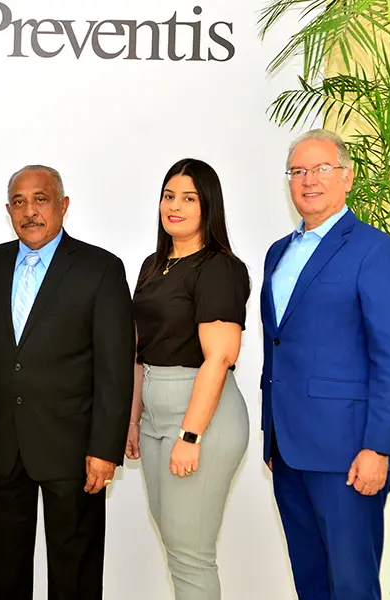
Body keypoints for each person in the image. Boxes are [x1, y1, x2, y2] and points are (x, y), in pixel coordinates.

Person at [0, 165, 134, 600]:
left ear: (63, 205)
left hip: (75, 450)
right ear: (7, 210)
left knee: (75, 573)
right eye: (18, 201)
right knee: (3, 571)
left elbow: (115, 367)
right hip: (0, 446)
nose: (29, 211)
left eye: (40, 199)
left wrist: (105, 448)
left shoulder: (101, 268)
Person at [262, 129, 390, 600]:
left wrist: (379, 448)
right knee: (311, 583)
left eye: (322, 169)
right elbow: (278, 347)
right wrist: (271, 434)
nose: (309, 180)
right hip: (288, 450)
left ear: (346, 178)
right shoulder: (277, 253)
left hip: (349, 453)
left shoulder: (375, 249)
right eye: (298, 171)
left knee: (351, 585)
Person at [126, 158, 251, 600]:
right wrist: (133, 417)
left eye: (188, 198)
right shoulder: (152, 265)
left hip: (202, 414)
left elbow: (218, 358)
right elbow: (139, 350)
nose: (173, 206)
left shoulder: (218, 268)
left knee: (190, 550)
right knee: (174, 541)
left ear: (208, 206)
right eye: (168, 195)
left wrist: (191, 435)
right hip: (156, 413)